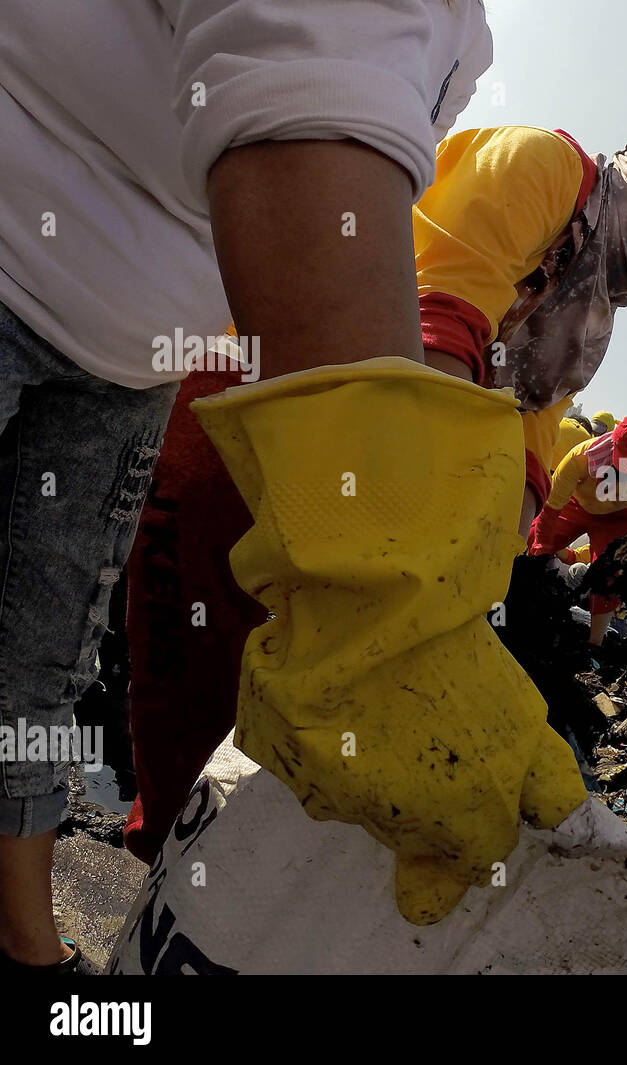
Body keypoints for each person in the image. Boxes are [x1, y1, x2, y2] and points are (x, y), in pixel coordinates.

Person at [122, 116, 627, 885]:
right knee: (192, 645)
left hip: (371, 462)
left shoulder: (589, 323)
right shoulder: (546, 167)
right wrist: (415, 571)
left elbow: (527, 451)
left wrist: (478, 585)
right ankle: (161, 861)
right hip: (262, 388)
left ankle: (234, 871)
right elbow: (438, 323)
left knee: (298, 683)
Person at [0, 0, 493, 971]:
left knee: (40, 669)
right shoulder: (544, 173)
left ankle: (23, 945)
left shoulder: (466, 41)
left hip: (131, 366)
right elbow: (300, 114)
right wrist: (383, 592)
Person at [529, 417, 627, 645]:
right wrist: (540, 552)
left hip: (617, 518)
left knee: (608, 573)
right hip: (577, 505)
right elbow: (551, 510)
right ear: (613, 447)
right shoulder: (580, 457)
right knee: (535, 538)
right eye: (625, 464)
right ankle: (525, 594)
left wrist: (626, 570)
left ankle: (595, 645)